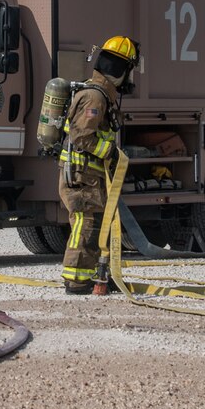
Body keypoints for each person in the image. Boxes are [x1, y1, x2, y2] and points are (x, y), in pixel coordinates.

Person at [57, 36, 136, 294]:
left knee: (100, 225)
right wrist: (110, 151)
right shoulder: (95, 98)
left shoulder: (101, 95)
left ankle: (96, 277)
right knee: (86, 224)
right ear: (119, 70)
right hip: (82, 176)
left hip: (90, 176)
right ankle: (76, 280)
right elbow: (82, 135)